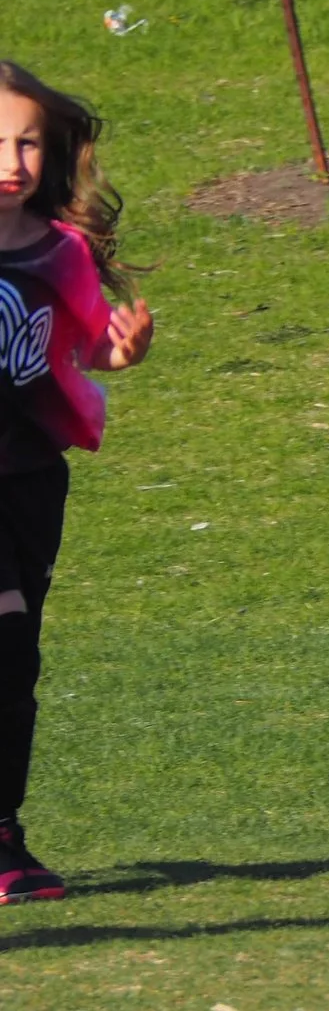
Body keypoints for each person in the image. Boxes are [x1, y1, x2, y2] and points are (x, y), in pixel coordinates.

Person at [0, 63, 153, 905]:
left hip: (31, 480)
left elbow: (79, 350)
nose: (13, 159)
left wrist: (123, 351)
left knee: (17, 661)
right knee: (4, 632)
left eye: (28, 140)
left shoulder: (64, 252)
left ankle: (5, 830)